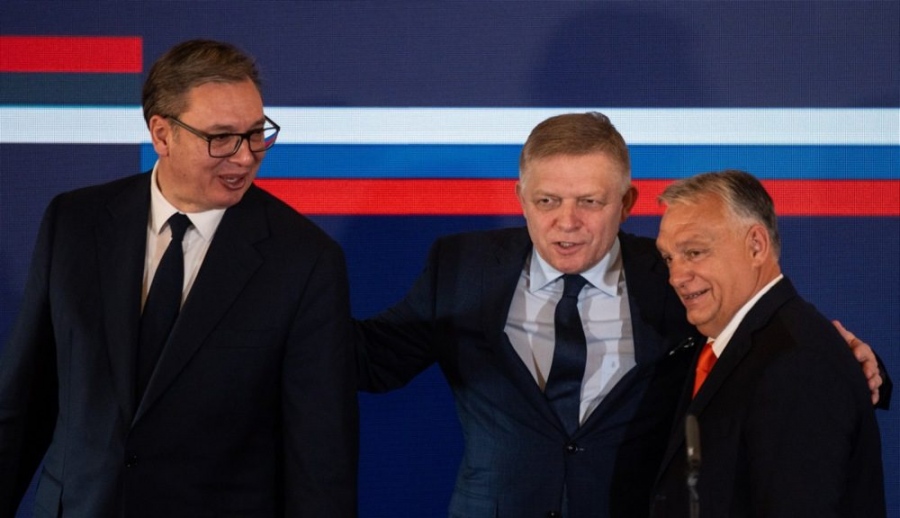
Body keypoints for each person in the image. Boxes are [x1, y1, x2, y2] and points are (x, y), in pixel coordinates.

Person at [356, 113, 888, 518]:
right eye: (547, 201)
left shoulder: (672, 275)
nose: (567, 222)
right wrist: (304, 305)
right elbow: (372, 360)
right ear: (520, 197)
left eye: (589, 202)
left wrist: (857, 362)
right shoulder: (462, 268)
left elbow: (761, 344)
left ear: (627, 202)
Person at [0, 39, 358, 517]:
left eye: (256, 133)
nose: (246, 156)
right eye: (221, 137)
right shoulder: (74, 223)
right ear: (162, 134)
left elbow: (320, 458)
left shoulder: (305, 261)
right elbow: (25, 400)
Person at [650, 170, 885, 517]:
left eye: (694, 252)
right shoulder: (729, 341)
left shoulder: (797, 364)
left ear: (756, 246)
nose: (676, 276)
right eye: (669, 257)